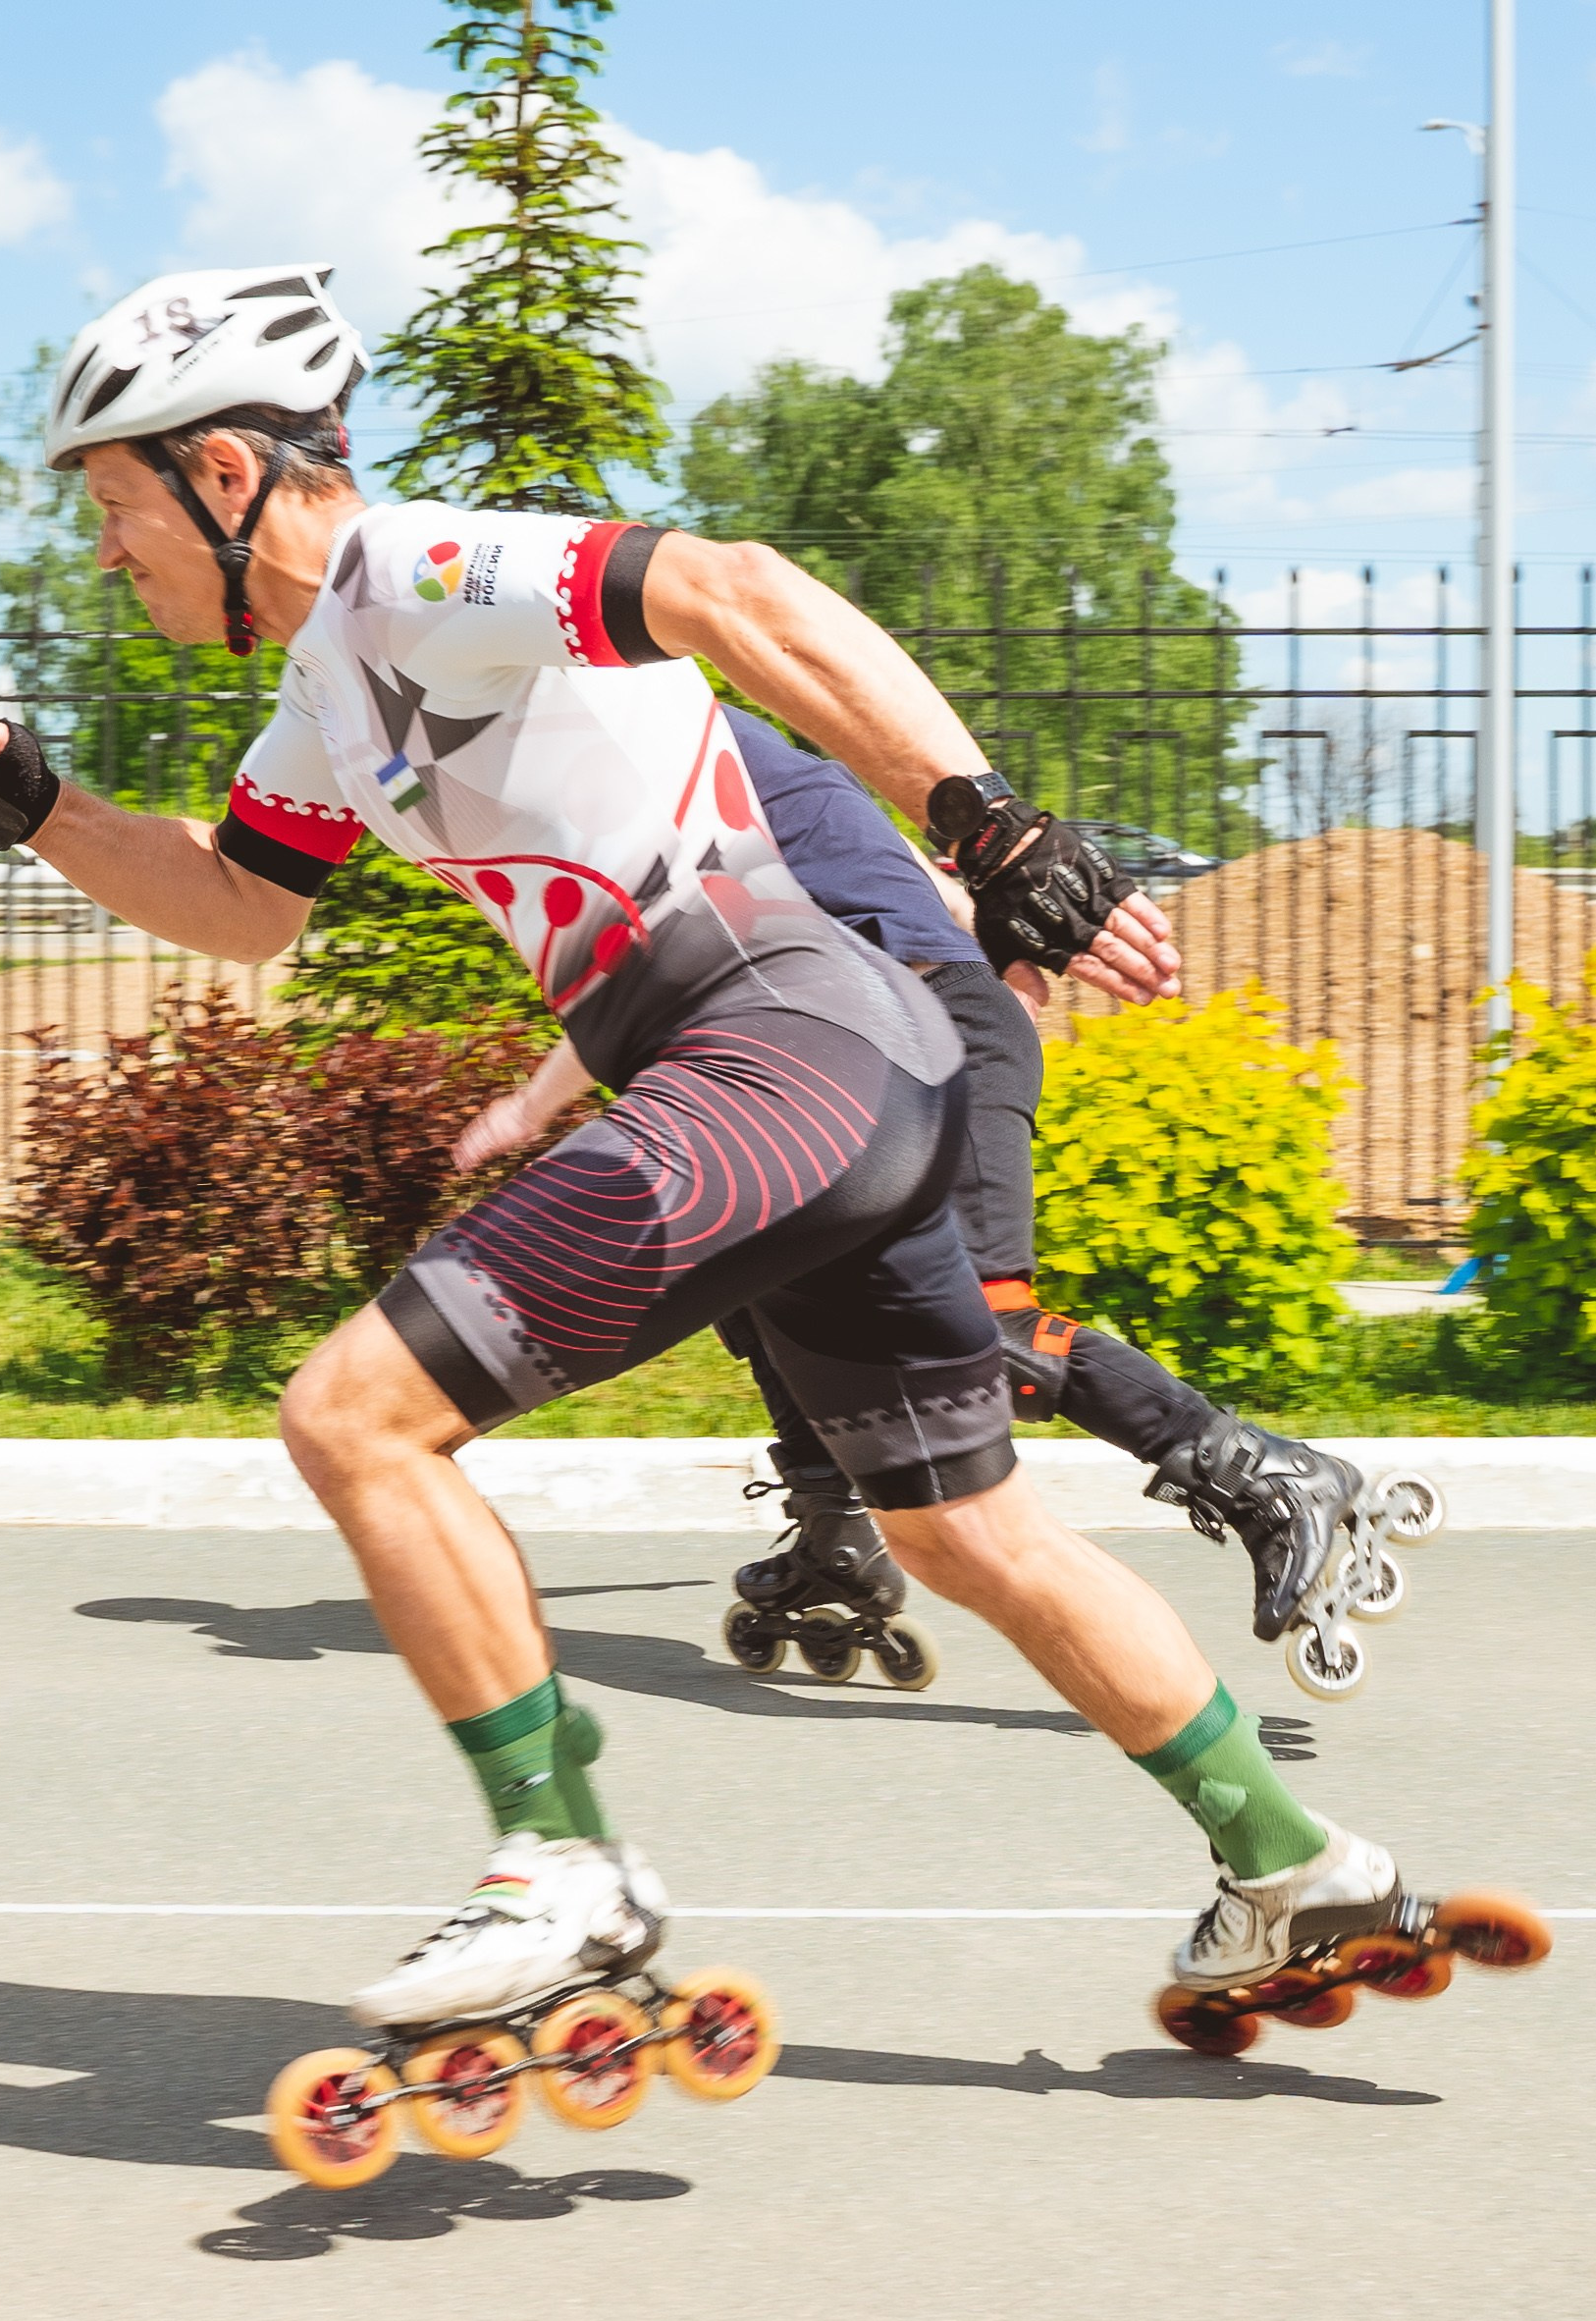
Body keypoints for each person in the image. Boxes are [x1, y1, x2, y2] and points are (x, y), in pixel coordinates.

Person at [0, 266, 1501, 2046]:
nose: (106, 554)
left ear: (219, 473)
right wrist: (44, 816)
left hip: (776, 1045)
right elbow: (237, 908)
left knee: (353, 1417)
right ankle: (1288, 1860)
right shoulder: (322, 699)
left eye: (117, 507)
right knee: (966, 1529)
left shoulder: (414, 568)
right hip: (836, 1078)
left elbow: (730, 589)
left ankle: (558, 1866)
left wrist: (979, 817)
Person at [453, 705, 1419, 1699]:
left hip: (924, 1039)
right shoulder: (786, 784)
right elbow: (964, 925)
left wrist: (530, 1105)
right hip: (868, 1052)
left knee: (984, 1329)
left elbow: (653, 958)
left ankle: (1263, 1473)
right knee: (756, 1279)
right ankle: (834, 1530)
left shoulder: (678, 772)